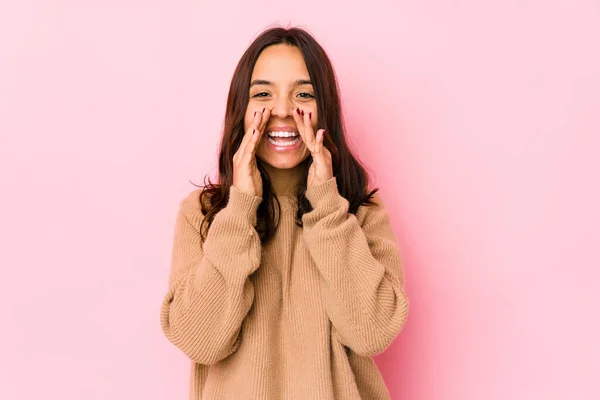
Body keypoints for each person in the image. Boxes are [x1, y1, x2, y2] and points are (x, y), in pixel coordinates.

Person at [160, 26, 409, 400]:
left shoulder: (360, 212)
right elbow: (201, 340)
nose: (281, 111)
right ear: (240, 111)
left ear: (325, 108)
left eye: (303, 94)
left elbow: (372, 332)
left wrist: (327, 205)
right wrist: (239, 209)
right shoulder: (203, 214)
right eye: (263, 94)